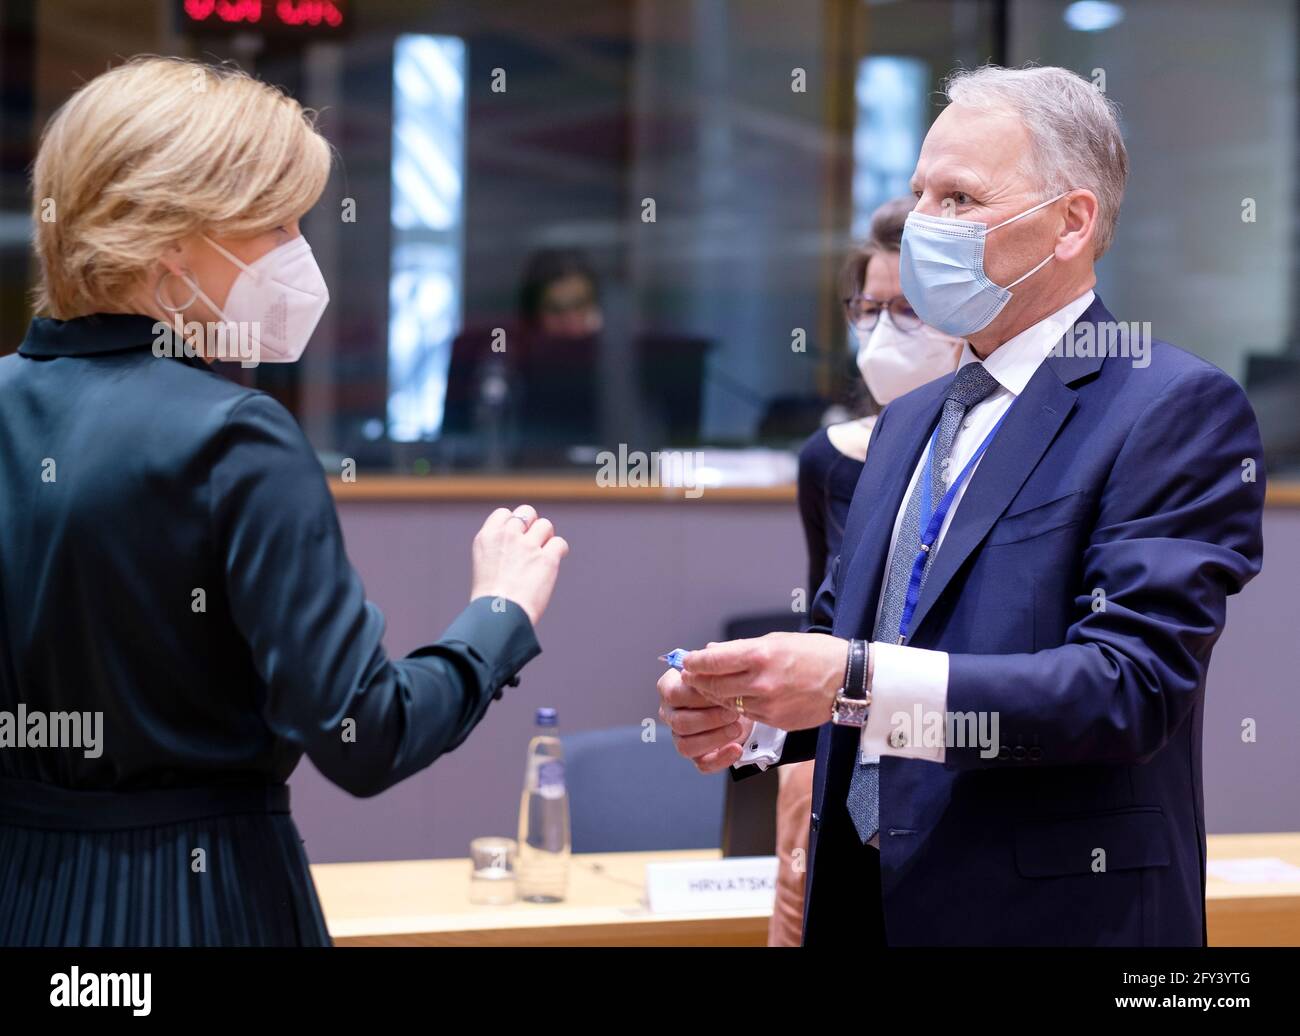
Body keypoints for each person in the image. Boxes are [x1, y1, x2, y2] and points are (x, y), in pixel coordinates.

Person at [659, 64, 1266, 946]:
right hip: (862, 901)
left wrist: (852, 682)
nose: (922, 227)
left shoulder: (1168, 407)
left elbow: (1128, 688)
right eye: (919, 195)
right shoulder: (906, 425)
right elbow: (850, 650)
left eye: (960, 198)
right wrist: (752, 714)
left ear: (1072, 223)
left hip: (1052, 918)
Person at [0, 57, 568, 947]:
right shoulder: (233, 435)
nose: (300, 252)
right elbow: (364, 733)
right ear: (167, 237)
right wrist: (497, 616)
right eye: (275, 223)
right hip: (201, 905)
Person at [771, 197, 962, 946]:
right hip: (852, 777)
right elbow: (831, 622)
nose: (884, 332)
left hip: (955, 766)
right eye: (868, 308)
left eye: (907, 310)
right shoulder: (833, 457)